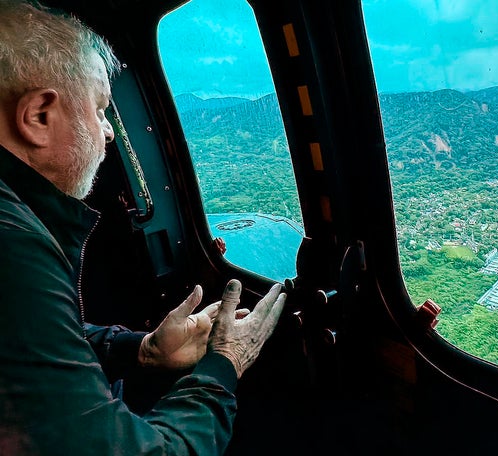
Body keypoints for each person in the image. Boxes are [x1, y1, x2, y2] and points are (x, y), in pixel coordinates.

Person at [0, 1, 286, 454]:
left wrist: (144, 349)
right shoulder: (12, 246)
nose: (110, 133)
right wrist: (223, 366)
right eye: (99, 110)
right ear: (38, 117)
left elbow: (32, 352)